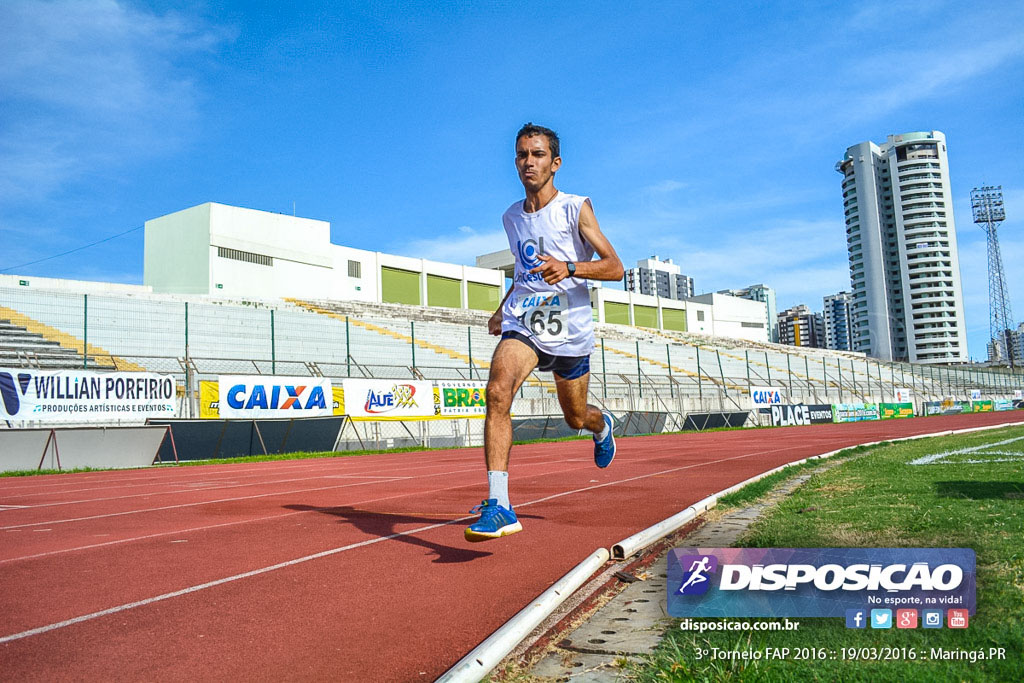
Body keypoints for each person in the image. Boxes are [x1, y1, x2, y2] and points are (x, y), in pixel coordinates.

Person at [465, 123, 624, 542]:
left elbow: (615, 267)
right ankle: (499, 504)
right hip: (525, 321)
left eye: (536, 155)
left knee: (575, 417)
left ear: (554, 163)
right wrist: (502, 309)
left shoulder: (575, 208)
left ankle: (601, 425)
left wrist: (571, 267)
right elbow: (523, 272)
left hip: (570, 330)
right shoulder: (511, 217)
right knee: (498, 391)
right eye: (521, 155)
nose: (528, 162)